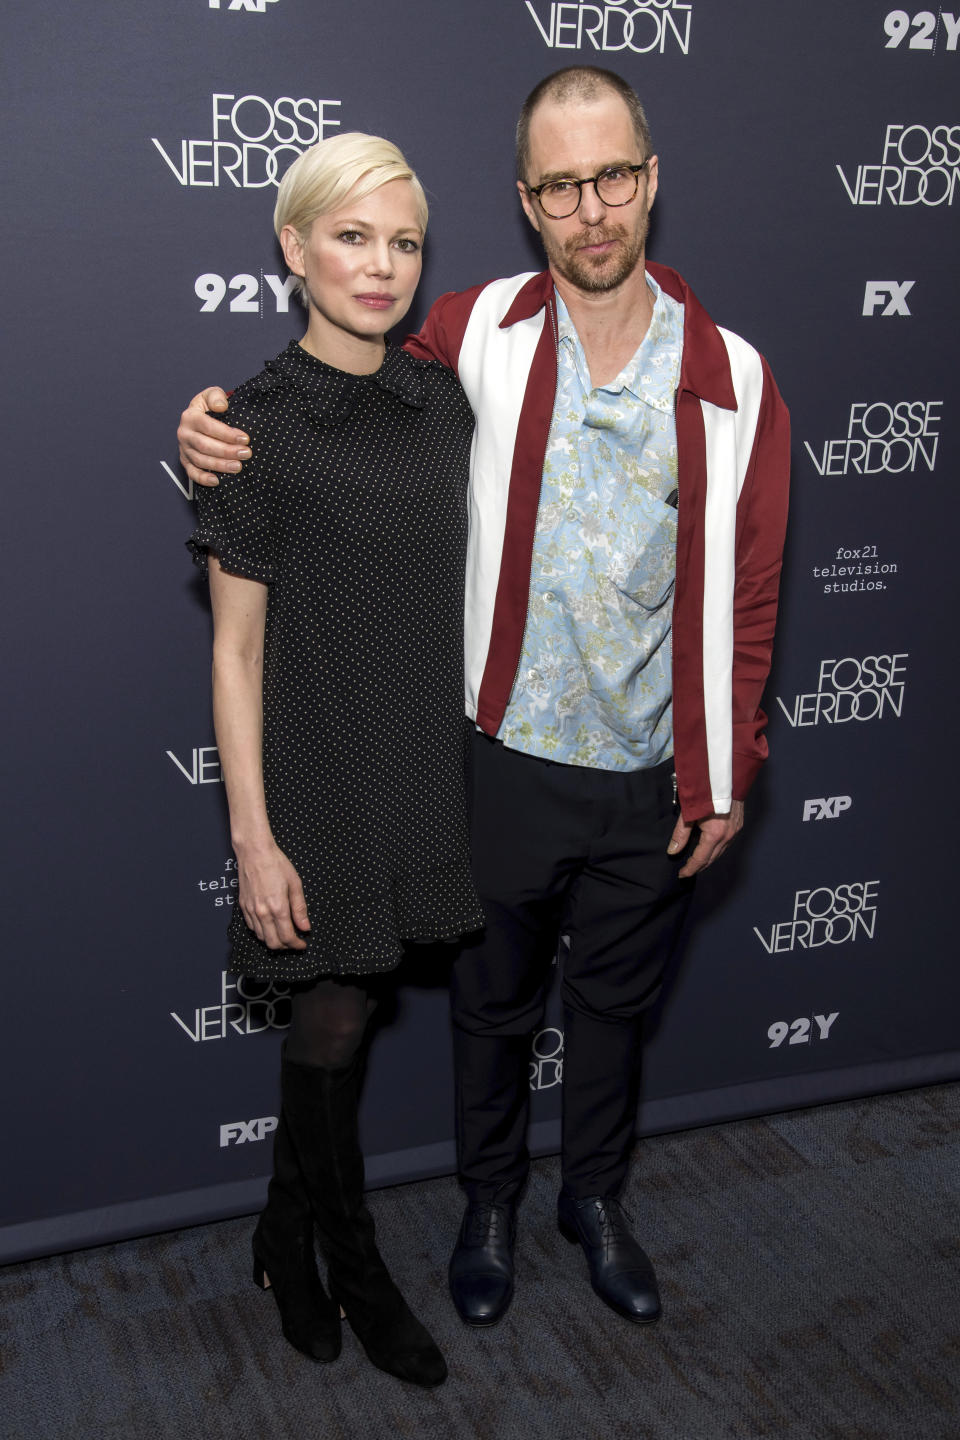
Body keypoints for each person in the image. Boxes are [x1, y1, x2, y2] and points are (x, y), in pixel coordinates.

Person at [177, 67, 790, 1334]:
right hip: (498, 759)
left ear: (651, 179)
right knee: (494, 1011)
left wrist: (726, 765)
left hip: (651, 776)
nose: (592, 208)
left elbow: (751, 590)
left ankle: (599, 1201)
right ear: (528, 202)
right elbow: (324, 396)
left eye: (612, 175)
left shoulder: (734, 377)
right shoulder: (475, 334)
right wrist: (200, 433)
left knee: (615, 1015)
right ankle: (491, 1203)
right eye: (561, 186)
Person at [186, 130, 484, 1387]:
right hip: (313, 773)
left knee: (345, 1017)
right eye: (351, 237)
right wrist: (254, 837)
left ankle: (277, 1231)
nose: (380, 266)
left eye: (403, 241)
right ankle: (353, 1266)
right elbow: (236, 651)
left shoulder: (446, 399)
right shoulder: (250, 428)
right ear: (294, 248)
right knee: (330, 1018)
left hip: (420, 759)